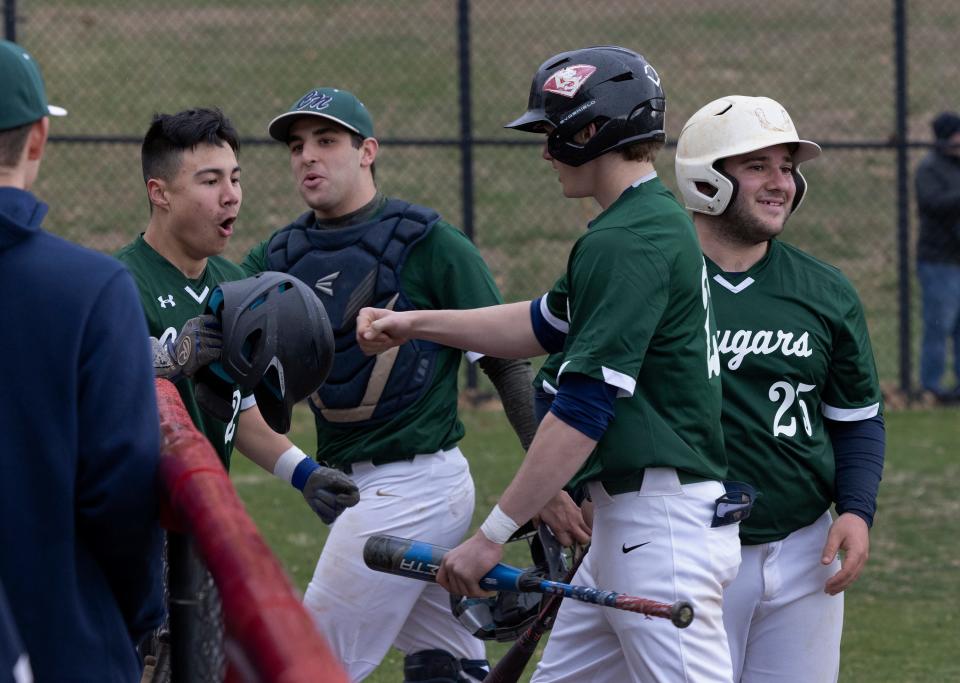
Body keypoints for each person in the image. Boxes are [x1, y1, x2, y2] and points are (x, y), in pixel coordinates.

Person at [358, 46, 743, 683]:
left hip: (658, 531)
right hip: (631, 527)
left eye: (552, 132)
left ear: (593, 131)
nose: (545, 151)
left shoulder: (627, 241)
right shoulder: (639, 225)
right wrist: (415, 323)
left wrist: (491, 533)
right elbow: (539, 324)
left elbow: (584, 410)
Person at [240, 86, 551, 682]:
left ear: (367, 152)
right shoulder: (277, 255)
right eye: (297, 145)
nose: (308, 156)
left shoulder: (428, 242)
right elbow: (223, 317)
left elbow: (507, 362)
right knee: (444, 657)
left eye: (327, 141)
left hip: (417, 486)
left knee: (307, 663)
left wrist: (548, 483)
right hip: (350, 491)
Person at [674, 95, 885, 682]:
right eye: (757, 166)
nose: (780, 184)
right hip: (682, 546)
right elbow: (565, 392)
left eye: (787, 167)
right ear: (706, 179)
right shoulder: (651, 276)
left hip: (803, 550)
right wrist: (575, 490)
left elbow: (857, 418)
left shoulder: (824, 290)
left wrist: (857, 511)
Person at [0, 38, 164, 681]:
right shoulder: (89, 290)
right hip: (63, 640)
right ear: (38, 137)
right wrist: (140, 614)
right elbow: (122, 491)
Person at [116, 108, 358, 521]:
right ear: (160, 193)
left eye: (235, 178)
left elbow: (239, 408)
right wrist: (171, 361)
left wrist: (305, 473)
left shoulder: (234, 286)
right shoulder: (116, 286)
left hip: (204, 521)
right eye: (210, 181)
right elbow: (96, 397)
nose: (231, 195)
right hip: (134, 524)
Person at [915, 110, 960, 403]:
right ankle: (930, 387)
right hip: (938, 260)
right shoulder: (929, 167)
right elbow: (932, 203)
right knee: (938, 325)